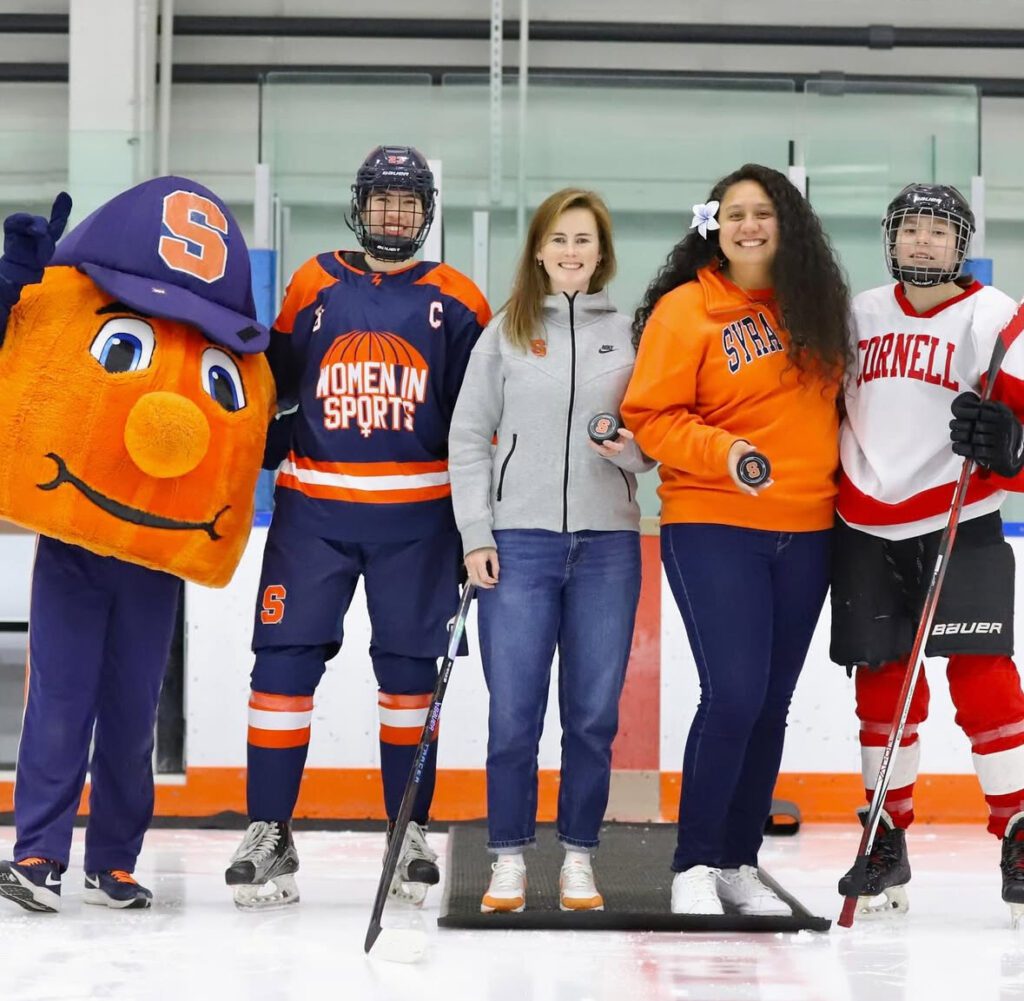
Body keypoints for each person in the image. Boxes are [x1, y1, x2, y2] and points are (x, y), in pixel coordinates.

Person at [224, 145, 490, 909]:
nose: (394, 214)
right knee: (279, 674)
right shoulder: (314, 281)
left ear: (426, 213)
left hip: (419, 523)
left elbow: (479, 424)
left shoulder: (460, 301)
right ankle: (269, 828)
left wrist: (479, 524)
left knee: (410, 684)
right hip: (312, 516)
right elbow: (271, 385)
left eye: (409, 202)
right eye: (383, 199)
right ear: (360, 204)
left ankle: (407, 829)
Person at [0, 177, 275, 913]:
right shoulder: (81, 304)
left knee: (131, 713)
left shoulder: (221, 346)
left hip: (155, 555)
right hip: (75, 543)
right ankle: (38, 851)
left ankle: (113, 859)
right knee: (58, 701)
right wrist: (9, 286)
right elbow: (21, 355)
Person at [621, 163, 851, 916]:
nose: (748, 225)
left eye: (763, 213)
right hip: (714, 522)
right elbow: (650, 416)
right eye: (734, 214)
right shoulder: (687, 310)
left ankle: (738, 860)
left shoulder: (818, 310)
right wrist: (727, 454)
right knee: (734, 694)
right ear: (712, 226)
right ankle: (693, 861)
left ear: (789, 224)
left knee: (773, 702)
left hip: (810, 529)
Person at [448, 188, 653, 913]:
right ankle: (506, 856)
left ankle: (578, 857)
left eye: (585, 242)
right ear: (539, 248)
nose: (571, 252)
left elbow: (649, 444)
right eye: (560, 239)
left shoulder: (630, 334)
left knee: (593, 715)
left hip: (608, 546)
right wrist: (477, 534)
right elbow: (469, 435)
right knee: (513, 713)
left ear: (602, 255)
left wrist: (630, 451)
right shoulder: (505, 331)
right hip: (520, 545)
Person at [831, 183, 1024, 922]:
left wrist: (1014, 446)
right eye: (909, 229)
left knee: (986, 682)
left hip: (960, 516)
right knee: (882, 687)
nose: (921, 242)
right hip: (865, 523)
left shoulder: (994, 315)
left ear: (960, 243)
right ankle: (885, 835)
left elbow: (1021, 432)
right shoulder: (857, 314)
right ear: (890, 240)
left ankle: (1017, 826)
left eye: (937, 232)